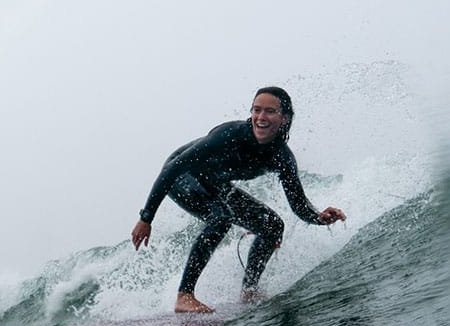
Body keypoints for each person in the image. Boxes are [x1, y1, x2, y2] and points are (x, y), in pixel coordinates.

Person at [131, 86, 346, 313]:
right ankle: (184, 296)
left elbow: (299, 205)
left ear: (284, 119)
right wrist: (146, 218)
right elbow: (173, 168)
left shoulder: (282, 157)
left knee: (272, 225)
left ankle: (249, 291)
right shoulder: (229, 135)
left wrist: (320, 217)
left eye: (270, 112)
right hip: (182, 175)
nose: (261, 117)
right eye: (256, 110)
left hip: (213, 183)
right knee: (221, 218)